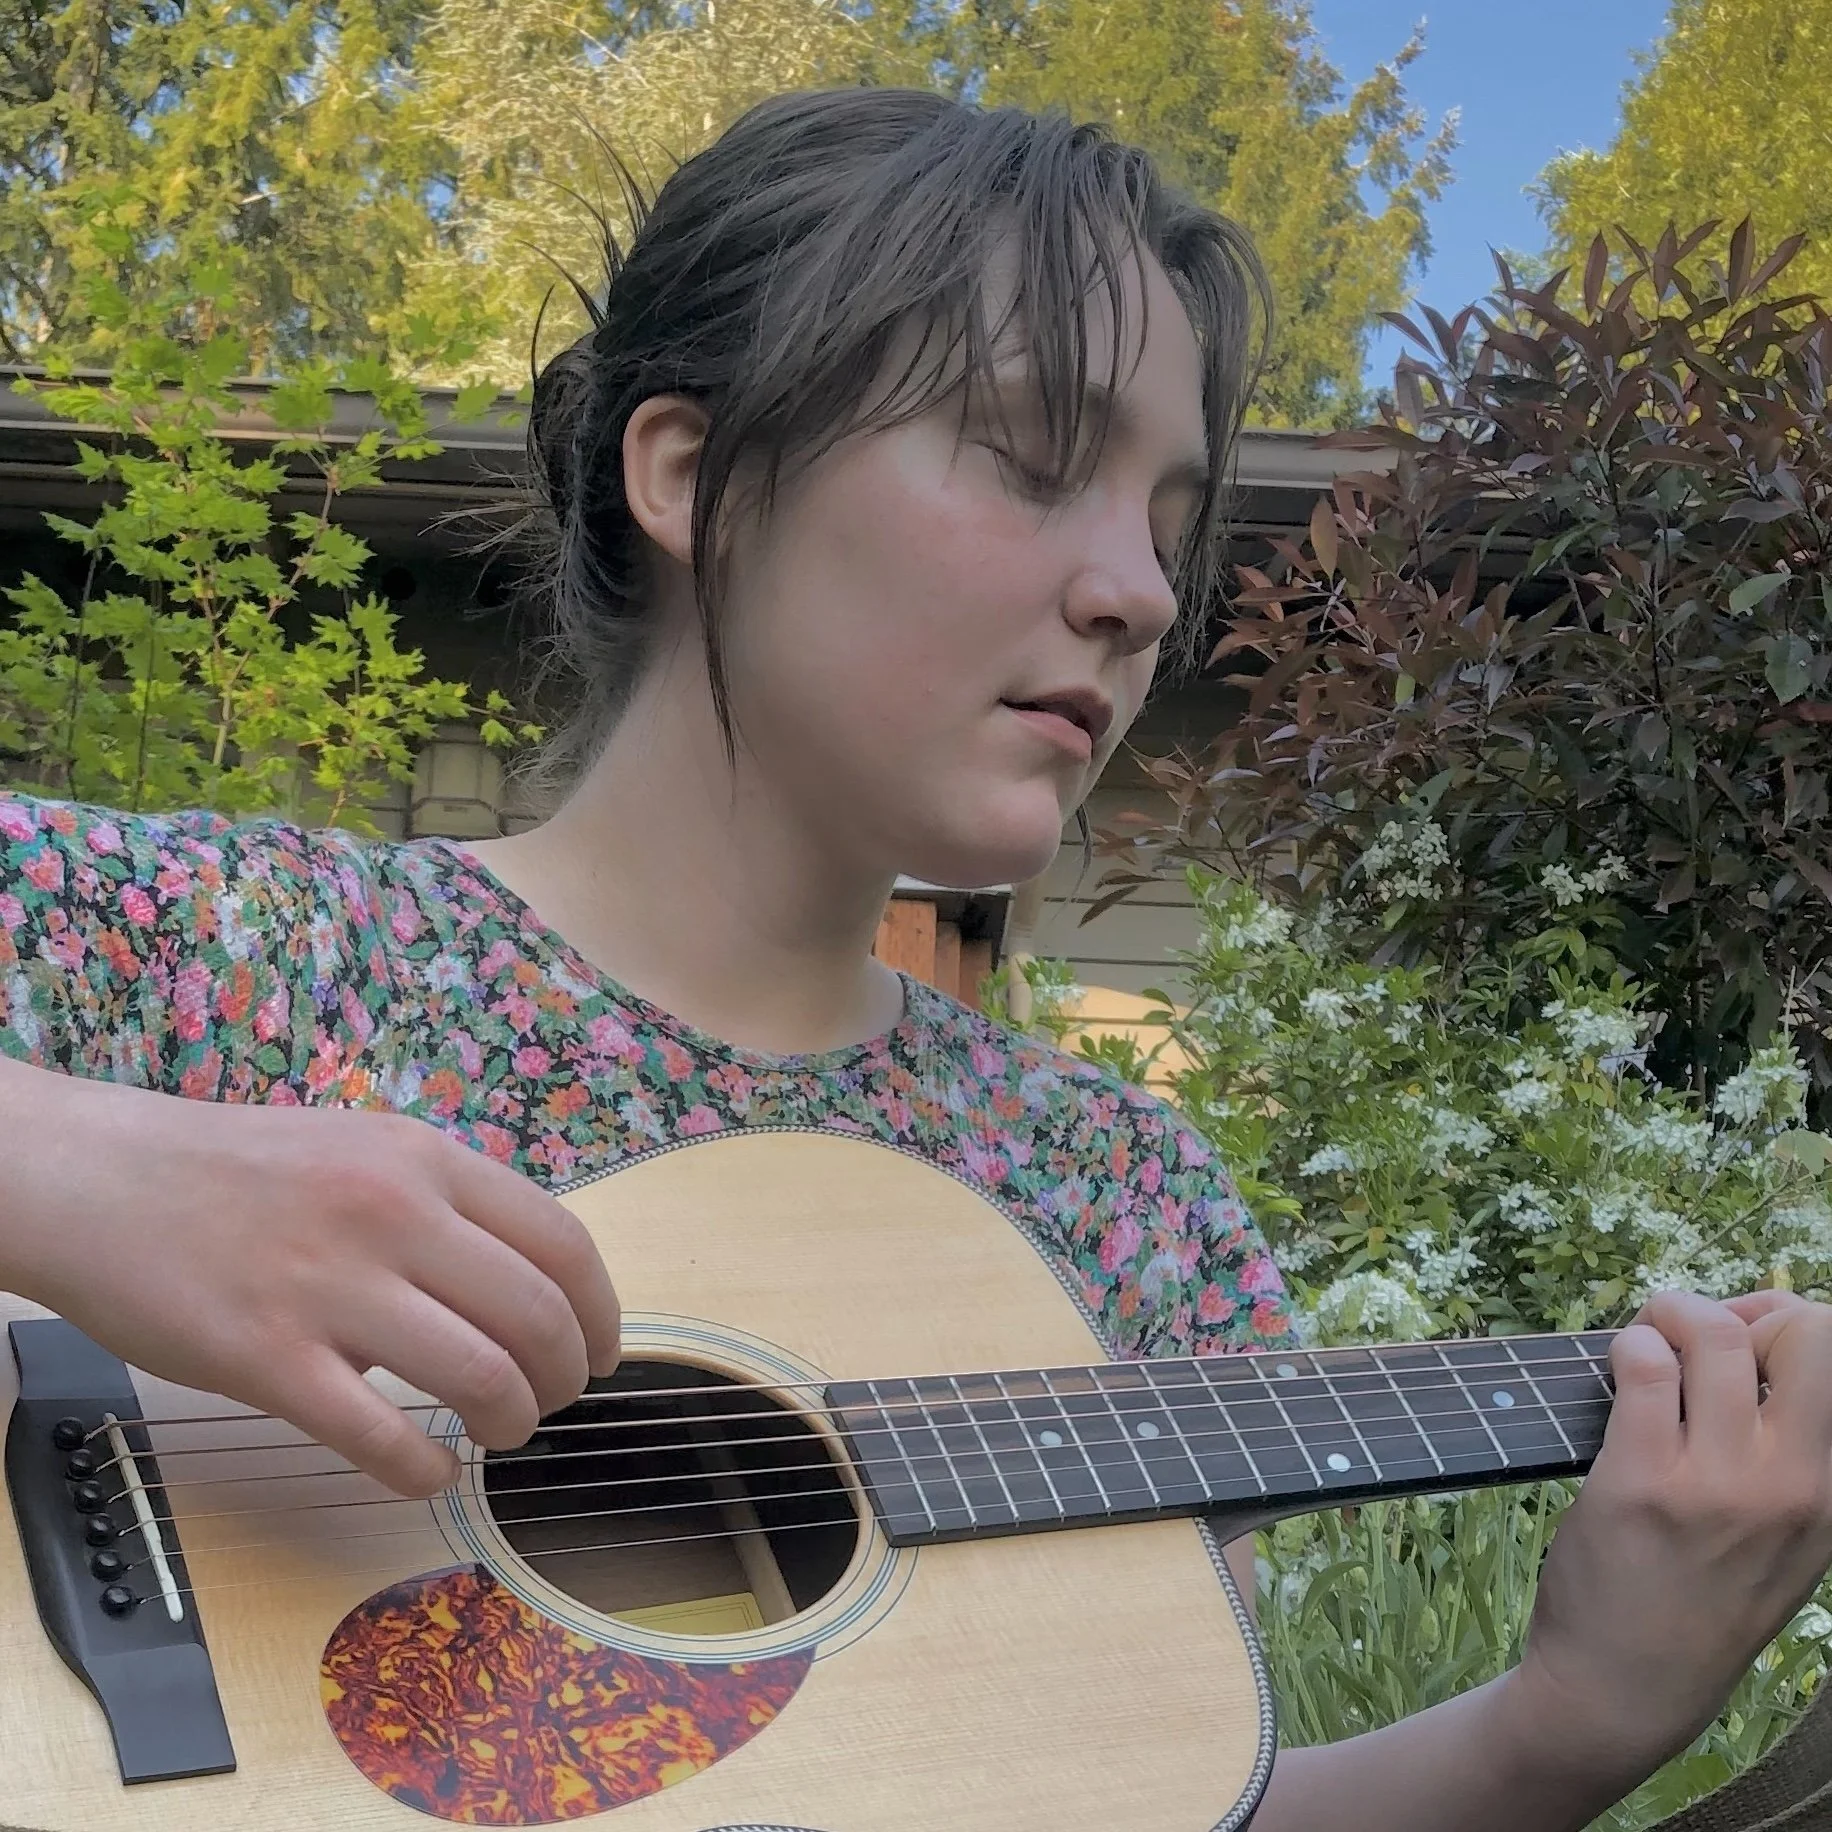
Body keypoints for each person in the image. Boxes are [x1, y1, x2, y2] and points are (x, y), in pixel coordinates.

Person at [1, 85, 1829, 1831]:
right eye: (1037, 464)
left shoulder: (1121, 1208)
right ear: (695, 477)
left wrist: (1573, 1718)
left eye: (1172, 528)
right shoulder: (199, 955)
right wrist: (84, 1170)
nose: (1137, 594)